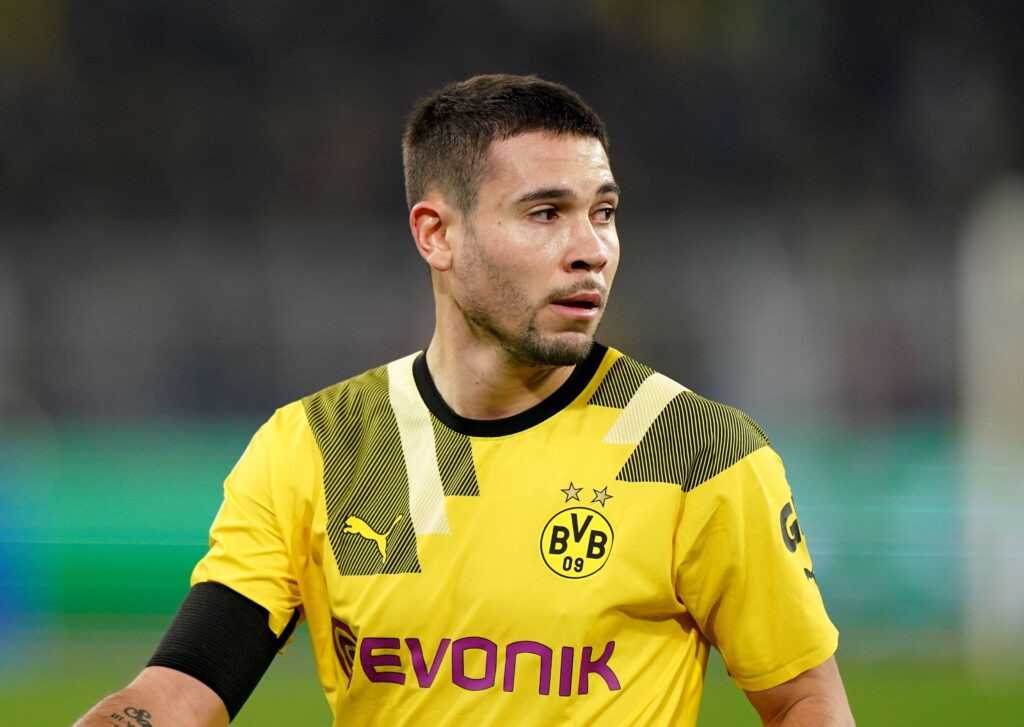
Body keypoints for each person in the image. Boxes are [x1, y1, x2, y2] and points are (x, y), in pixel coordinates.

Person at [75, 74, 854, 726]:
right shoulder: (317, 447)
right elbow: (183, 689)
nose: (591, 249)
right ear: (436, 235)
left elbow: (804, 700)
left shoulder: (697, 451)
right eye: (546, 213)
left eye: (604, 212)